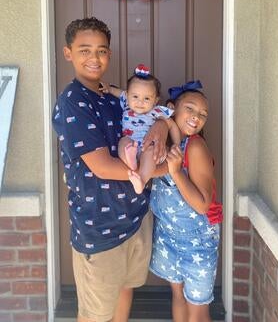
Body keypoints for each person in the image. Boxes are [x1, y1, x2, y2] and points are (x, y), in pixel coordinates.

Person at [52, 17, 169, 322]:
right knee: (95, 314)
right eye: (84, 50)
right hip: (99, 229)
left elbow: (146, 116)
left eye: (101, 51)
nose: (94, 58)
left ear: (110, 54)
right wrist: (164, 169)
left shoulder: (112, 98)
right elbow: (103, 167)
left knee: (125, 291)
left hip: (134, 219)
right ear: (68, 53)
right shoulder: (72, 102)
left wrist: (159, 125)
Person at [149, 81, 223, 322]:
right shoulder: (168, 143)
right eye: (190, 109)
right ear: (173, 108)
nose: (196, 117)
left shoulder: (196, 146)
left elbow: (202, 204)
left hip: (196, 243)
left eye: (203, 114)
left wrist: (176, 171)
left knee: (198, 308)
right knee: (178, 297)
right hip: (168, 236)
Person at [100, 64, 180, 194]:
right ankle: (131, 162)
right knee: (123, 142)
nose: (140, 102)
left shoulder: (157, 111)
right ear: (128, 96)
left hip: (149, 147)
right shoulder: (126, 104)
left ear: (155, 100)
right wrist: (108, 88)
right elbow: (119, 92)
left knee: (150, 152)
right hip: (131, 142)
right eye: (135, 96)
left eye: (147, 98)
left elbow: (172, 125)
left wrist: (176, 145)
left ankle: (141, 180)